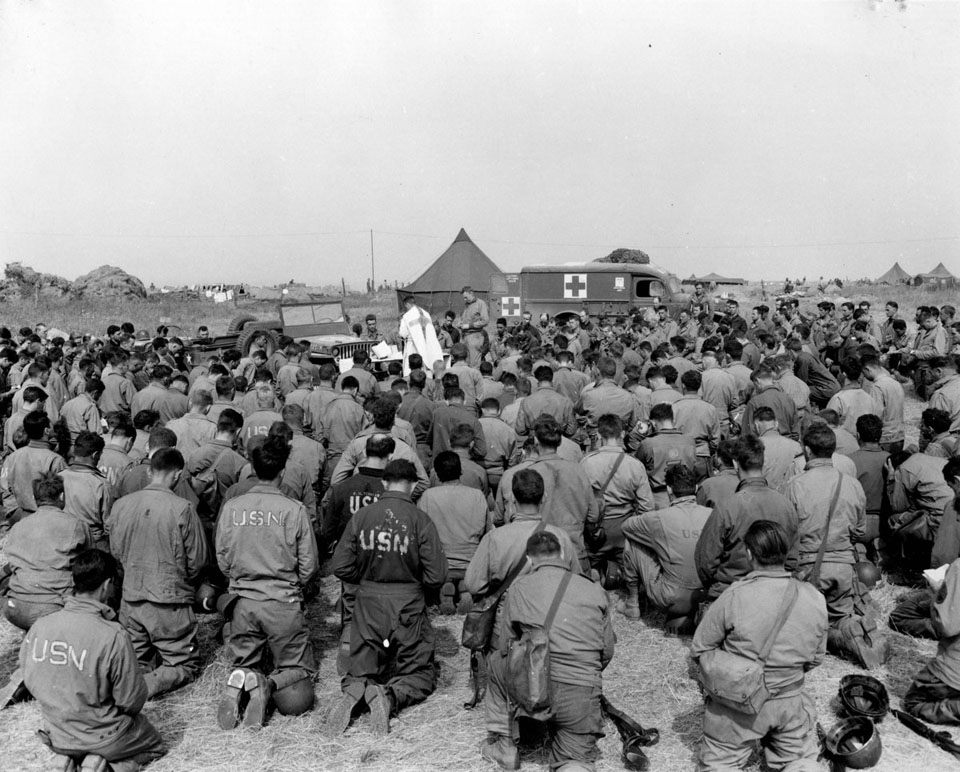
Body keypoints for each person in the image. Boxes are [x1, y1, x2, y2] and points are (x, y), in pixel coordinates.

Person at [692, 521, 827, 772]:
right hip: (791, 704)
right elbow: (816, 658)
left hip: (737, 708)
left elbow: (700, 648)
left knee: (721, 765)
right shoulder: (814, 597)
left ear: (750, 554)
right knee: (802, 764)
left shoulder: (735, 595)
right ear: (785, 554)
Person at [327, 460, 447, 737]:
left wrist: (367, 579)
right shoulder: (420, 519)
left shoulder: (363, 516)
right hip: (407, 601)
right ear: (414, 485)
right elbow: (436, 575)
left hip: (368, 600)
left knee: (360, 667)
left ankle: (355, 692)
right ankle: (389, 696)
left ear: (384, 482)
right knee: (420, 674)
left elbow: (340, 566)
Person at [480, 529, 615, 771]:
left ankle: (506, 745)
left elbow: (506, 648)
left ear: (530, 560)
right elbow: (606, 652)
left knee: (495, 663)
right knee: (575, 762)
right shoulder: (595, 590)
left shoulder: (520, 588)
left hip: (535, 687)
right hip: (581, 693)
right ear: (563, 554)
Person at [21, 549, 167, 771]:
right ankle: (101, 765)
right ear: (107, 585)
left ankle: (68, 759)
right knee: (156, 745)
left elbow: (30, 679)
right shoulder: (113, 635)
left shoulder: (40, 626)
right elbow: (131, 700)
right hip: (103, 736)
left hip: (57, 734)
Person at [216, 436, 319, 729]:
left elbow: (222, 558)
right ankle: (270, 683)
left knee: (244, 659)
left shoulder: (233, 507)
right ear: (283, 471)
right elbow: (309, 564)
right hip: (282, 602)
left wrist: (238, 580)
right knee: (297, 677)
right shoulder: (294, 509)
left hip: (243, 604)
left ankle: (242, 677)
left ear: (251, 467)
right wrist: (292, 585)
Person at [786, 423, 887, 669]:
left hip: (807, 569)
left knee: (803, 622)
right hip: (843, 567)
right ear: (833, 450)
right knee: (840, 614)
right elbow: (860, 531)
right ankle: (850, 629)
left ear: (807, 451)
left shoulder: (794, 485)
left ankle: (817, 641)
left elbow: (787, 533)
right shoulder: (851, 484)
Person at [109, 448, 208, 699]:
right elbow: (197, 560)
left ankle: (126, 686)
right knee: (184, 664)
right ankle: (143, 689)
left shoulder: (121, 505)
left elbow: (116, 552)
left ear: (150, 471)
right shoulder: (183, 508)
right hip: (169, 601)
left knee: (135, 660)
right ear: (178, 475)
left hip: (131, 599)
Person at [494, 416, 599, 572]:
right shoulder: (578, 470)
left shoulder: (528, 474)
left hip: (539, 557)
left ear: (536, 441)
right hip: (575, 552)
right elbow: (593, 515)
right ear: (559, 442)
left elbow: (512, 518)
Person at [620, 464, 711, 628]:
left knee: (633, 539)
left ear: (669, 490)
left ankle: (633, 603)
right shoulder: (711, 514)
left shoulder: (658, 518)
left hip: (671, 598)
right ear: (696, 488)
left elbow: (626, 526)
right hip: (705, 596)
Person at [2, 473, 92, 631]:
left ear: (34, 498)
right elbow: (91, 563)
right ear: (62, 496)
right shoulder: (76, 525)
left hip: (15, 605)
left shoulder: (18, 527)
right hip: (52, 607)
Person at [580, 413, 654, 583]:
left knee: (587, 572)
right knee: (631, 574)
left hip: (596, 529)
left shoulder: (586, 463)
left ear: (598, 436)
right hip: (625, 527)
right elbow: (647, 506)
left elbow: (580, 501)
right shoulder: (635, 465)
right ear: (622, 435)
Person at [418, 451, 490, 614]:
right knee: (466, 575)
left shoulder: (428, 496)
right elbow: (487, 532)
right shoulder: (477, 496)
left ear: (436, 473)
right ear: (461, 471)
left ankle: (446, 588)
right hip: (470, 564)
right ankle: (464, 587)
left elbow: (421, 534)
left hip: (440, 565)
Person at [4, 410, 67, 517]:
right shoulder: (55, 460)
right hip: (47, 518)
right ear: (47, 431)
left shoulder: (11, 458)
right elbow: (65, 494)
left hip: (18, 517)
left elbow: (4, 489)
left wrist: (15, 513)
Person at [635, 403, 697, 510]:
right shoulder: (689, 441)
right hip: (687, 497)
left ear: (653, 423)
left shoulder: (648, 444)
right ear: (673, 419)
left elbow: (637, 468)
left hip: (659, 498)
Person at [59, 431, 113, 551]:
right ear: (95, 455)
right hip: (92, 544)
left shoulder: (59, 477)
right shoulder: (100, 483)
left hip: (62, 539)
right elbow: (108, 523)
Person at [460, 286, 490, 368]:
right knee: (465, 364)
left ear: (471, 293)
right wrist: (461, 324)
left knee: (474, 365)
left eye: (466, 297)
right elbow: (466, 319)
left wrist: (469, 325)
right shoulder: (467, 305)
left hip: (475, 336)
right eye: (463, 298)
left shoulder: (480, 304)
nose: (464, 300)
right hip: (465, 337)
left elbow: (485, 321)